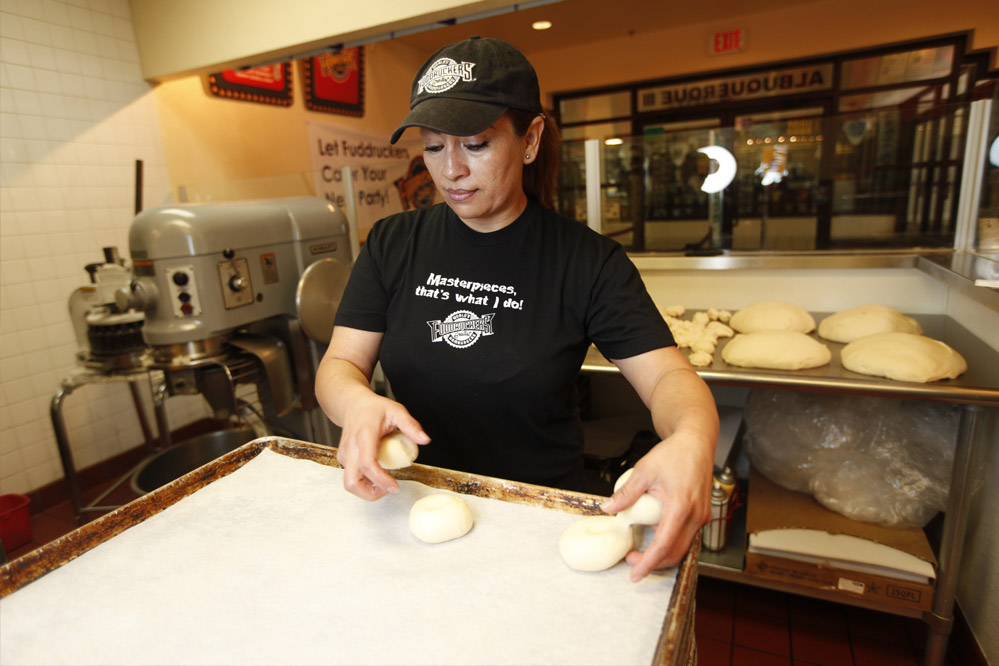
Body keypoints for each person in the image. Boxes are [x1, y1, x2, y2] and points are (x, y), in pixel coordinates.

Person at [315, 36, 719, 582]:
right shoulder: (392, 243)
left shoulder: (587, 261)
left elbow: (668, 375)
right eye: (434, 147)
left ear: (529, 141)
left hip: (540, 515)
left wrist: (692, 440)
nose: (451, 170)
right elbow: (340, 367)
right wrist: (357, 404)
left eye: (476, 145)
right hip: (414, 504)